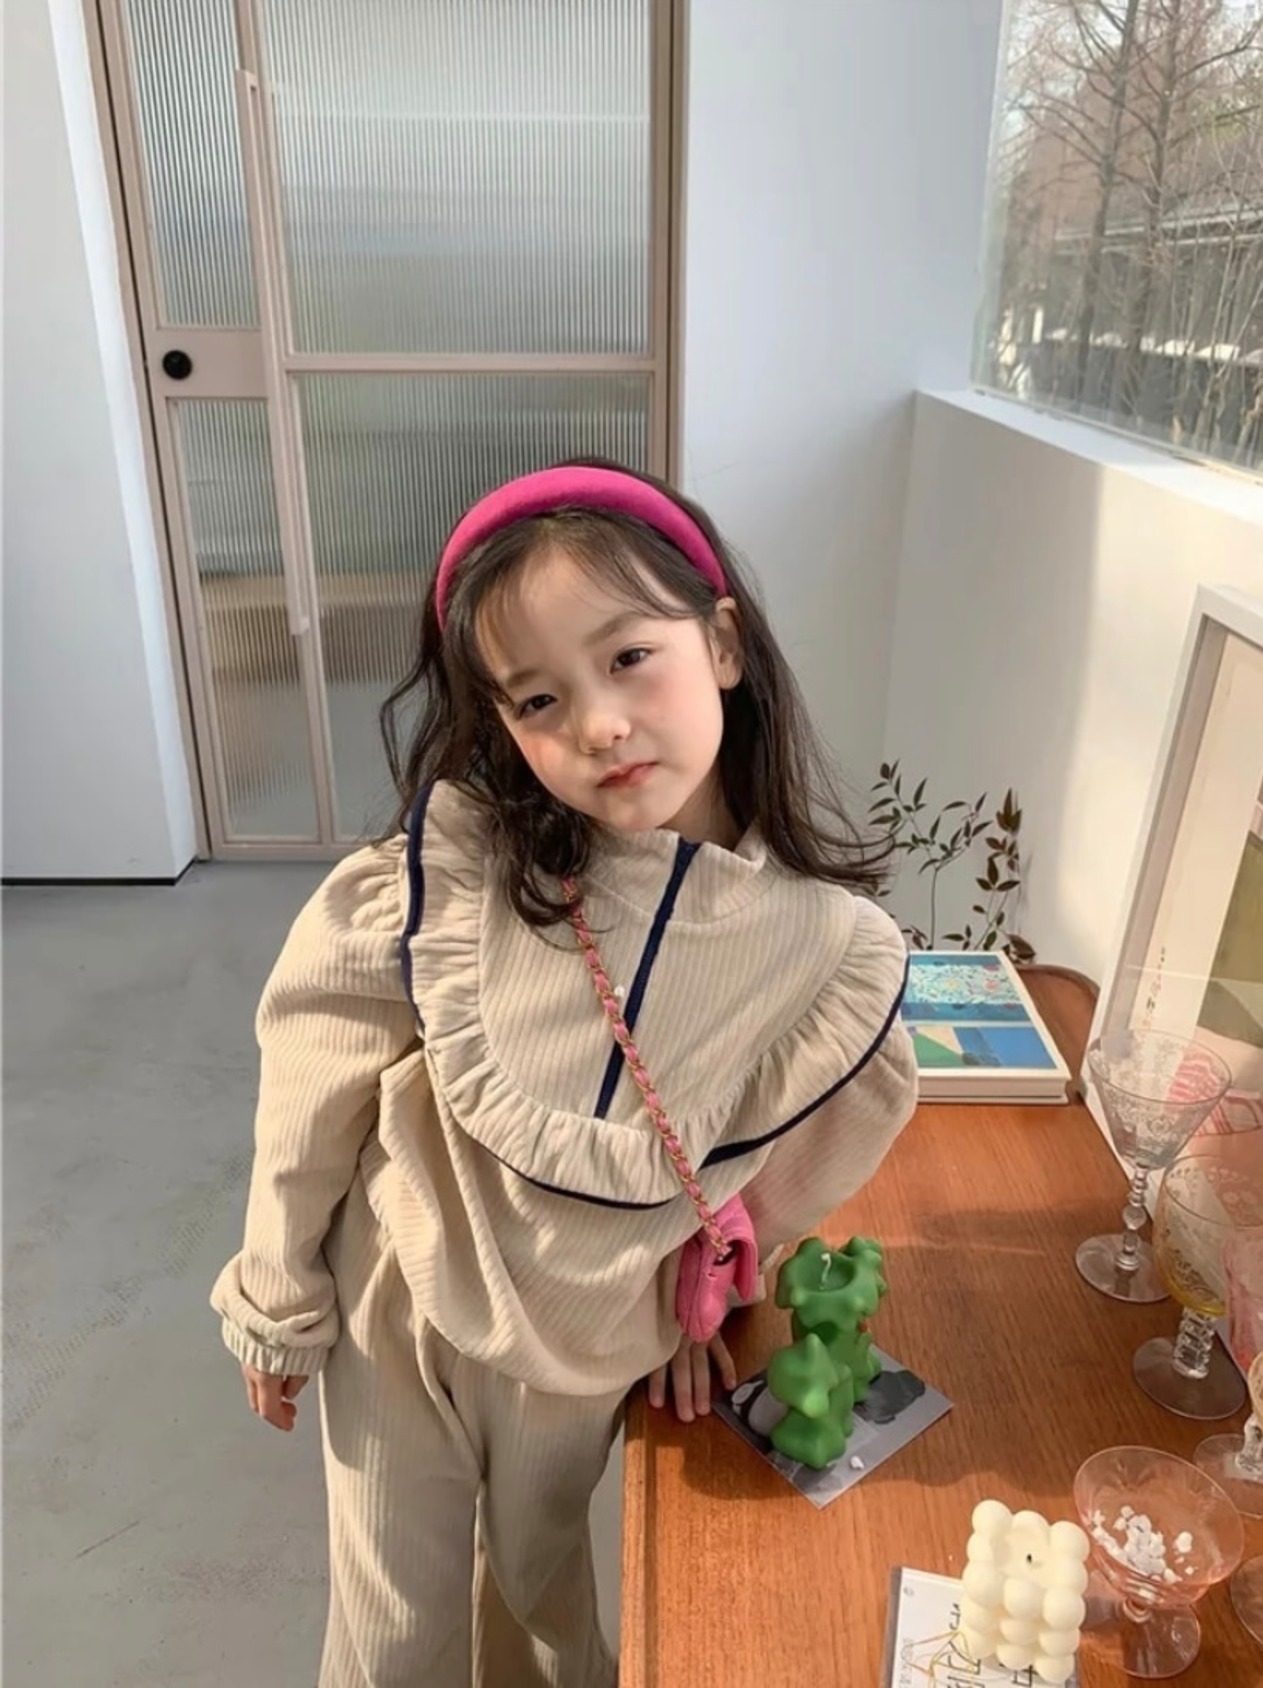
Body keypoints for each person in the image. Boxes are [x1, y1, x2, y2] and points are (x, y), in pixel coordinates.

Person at [211, 458, 919, 1688]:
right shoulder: (465, 864)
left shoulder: (823, 946)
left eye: (629, 656)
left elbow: (781, 1154)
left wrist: (702, 1297)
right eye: (538, 698)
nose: (597, 723)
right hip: (400, 1286)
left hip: (585, 1347)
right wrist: (277, 1284)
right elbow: (318, 1053)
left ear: (722, 644)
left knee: (542, 1594)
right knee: (389, 1635)